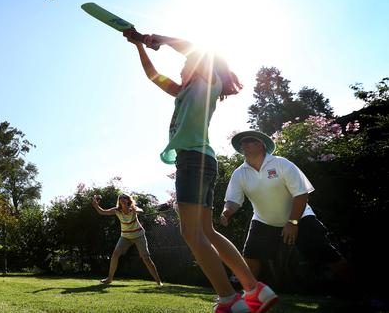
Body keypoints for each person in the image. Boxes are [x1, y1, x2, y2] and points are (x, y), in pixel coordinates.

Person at [124, 30, 277, 313]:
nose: (182, 69)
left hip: (194, 160)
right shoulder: (183, 92)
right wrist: (139, 46)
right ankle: (255, 290)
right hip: (200, 160)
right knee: (207, 231)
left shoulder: (209, 81)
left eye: (186, 65)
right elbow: (152, 75)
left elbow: (193, 48)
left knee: (192, 234)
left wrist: (153, 37)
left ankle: (228, 299)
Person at [220, 130, 351, 284]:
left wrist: (292, 222)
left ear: (261, 146)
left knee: (327, 253)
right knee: (250, 256)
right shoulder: (239, 173)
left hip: (300, 217)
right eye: (243, 143)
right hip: (264, 221)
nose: (245, 145)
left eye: (250, 141)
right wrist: (227, 211)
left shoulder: (282, 163)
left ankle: (364, 294)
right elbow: (233, 200)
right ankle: (250, 295)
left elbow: (301, 194)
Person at [91, 194, 163, 286]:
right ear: (119, 201)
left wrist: (135, 210)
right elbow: (102, 212)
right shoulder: (117, 210)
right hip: (125, 237)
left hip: (138, 235)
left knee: (146, 258)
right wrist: (96, 206)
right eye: (120, 198)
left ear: (128, 200)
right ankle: (109, 279)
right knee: (115, 254)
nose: (122, 199)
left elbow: (141, 211)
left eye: (124, 198)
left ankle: (158, 281)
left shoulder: (133, 208)